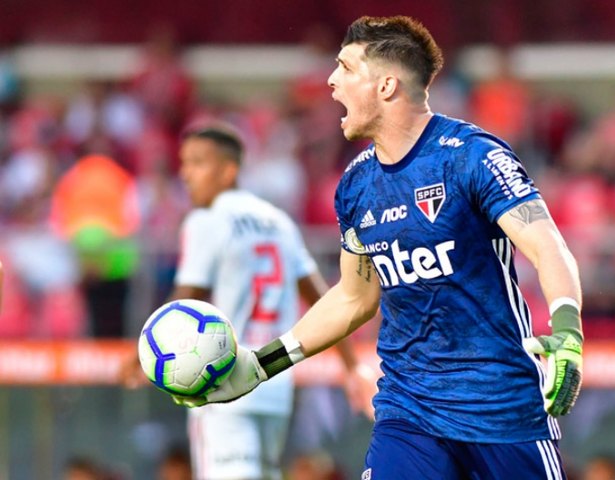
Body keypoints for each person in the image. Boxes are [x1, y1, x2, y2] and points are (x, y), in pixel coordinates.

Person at [176, 16, 583, 479]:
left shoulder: (473, 156)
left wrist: (568, 331)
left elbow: (547, 245)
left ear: (386, 85)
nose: (331, 81)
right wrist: (259, 365)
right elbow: (354, 298)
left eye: (346, 68)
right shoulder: (356, 185)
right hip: (408, 414)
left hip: (502, 408)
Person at [123, 123, 375, 480]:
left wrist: (143, 352)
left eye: (197, 163)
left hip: (223, 377)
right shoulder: (278, 221)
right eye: (185, 163)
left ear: (228, 170)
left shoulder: (207, 220)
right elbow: (324, 296)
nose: (186, 174)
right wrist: (350, 365)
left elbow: (187, 296)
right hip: (275, 382)